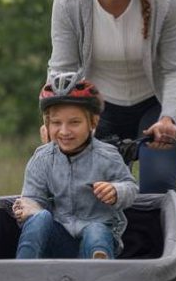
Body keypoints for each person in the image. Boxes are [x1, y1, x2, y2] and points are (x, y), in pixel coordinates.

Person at [26, 0, 176, 194]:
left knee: (157, 187)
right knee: (85, 191)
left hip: (157, 105)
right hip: (100, 109)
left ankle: (156, 238)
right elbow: (62, 68)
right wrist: (53, 121)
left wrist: (169, 118)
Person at [14, 75, 139, 260]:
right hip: (57, 242)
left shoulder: (107, 156)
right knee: (39, 218)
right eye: (56, 123)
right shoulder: (42, 159)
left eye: (74, 122)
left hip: (97, 237)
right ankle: (21, 273)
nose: (64, 131)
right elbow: (32, 199)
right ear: (47, 125)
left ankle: (99, 271)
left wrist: (116, 191)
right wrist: (28, 208)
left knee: (96, 229)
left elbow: (131, 187)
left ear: (93, 123)